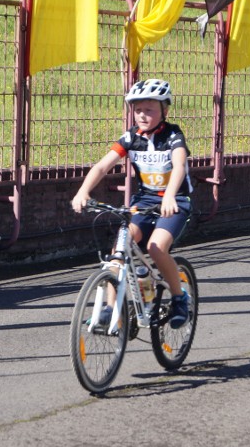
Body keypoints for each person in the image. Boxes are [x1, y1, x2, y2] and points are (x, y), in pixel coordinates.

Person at [71, 78, 193, 329]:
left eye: (149, 110)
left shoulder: (173, 136)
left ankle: (180, 297)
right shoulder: (130, 137)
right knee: (120, 247)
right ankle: (110, 308)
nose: (142, 115)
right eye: (138, 110)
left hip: (175, 201)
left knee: (156, 248)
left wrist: (170, 195)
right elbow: (103, 165)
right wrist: (83, 191)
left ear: (164, 111)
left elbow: (179, 165)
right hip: (144, 201)